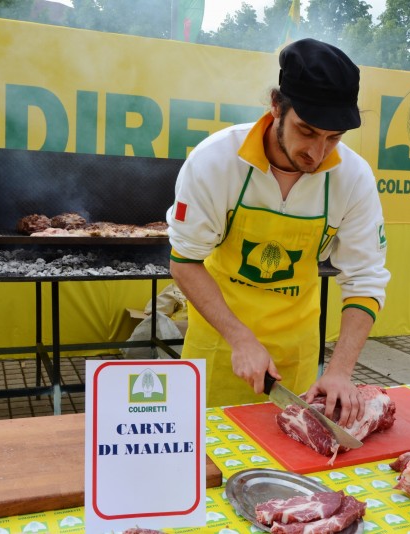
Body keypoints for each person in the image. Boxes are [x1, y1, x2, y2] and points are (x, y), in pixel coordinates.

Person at [166, 38, 390, 427]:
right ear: (275, 106)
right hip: (220, 347)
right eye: (307, 131)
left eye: (333, 138)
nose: (318, 155)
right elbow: (185, 261)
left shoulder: (353, 178)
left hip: (296, 358)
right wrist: (239, 338)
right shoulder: (215, 161)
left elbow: (365, 279)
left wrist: (338, 371)